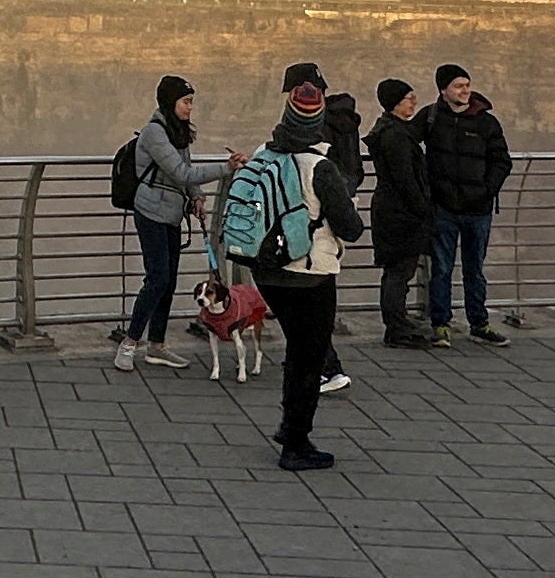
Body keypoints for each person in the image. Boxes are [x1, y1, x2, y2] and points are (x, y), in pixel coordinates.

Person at [233, 59, 366, 469]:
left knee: (298, 349)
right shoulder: (321, 166)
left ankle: (289, 426)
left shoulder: (263, 151)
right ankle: (296, 445)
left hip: (266, 269)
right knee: (309, 361)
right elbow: (351, 227)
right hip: (309, 275)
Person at [112, 77, 236, 374]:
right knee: (157, 278)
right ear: (170, 102)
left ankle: (157, 346)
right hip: (151, 212)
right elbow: (181, 172)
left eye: (191, 101)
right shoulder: (155, 133)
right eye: (186, 101)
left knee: (167, 280)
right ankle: (129, 344)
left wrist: (196, 197)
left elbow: (185, 171)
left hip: (171, 213)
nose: (190, 107)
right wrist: (226, 168)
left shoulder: (177, 132)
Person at [419, 64, 513, 345]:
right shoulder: (431, 117)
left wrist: (487, 190)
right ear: (443, 90)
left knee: (475, 269)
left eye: (467, 85)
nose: (465, 91)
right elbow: (403, 138)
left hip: (478, 211)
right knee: (442, 269)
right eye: (459, 86)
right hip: (444, 208)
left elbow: (502, 160)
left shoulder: (486, 122)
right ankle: (440, 325)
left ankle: (479, 323)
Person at [367, 80, 435, 346]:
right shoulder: (395, 136)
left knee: (398, 271)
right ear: (396, 102)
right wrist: (422, 208)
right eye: (409, 98)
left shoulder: (390, 130)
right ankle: (396, 328)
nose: (414, 102)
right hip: (400, 212)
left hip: (391, 209)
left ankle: (398, 322)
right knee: (399, 272)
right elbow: (405, 178)